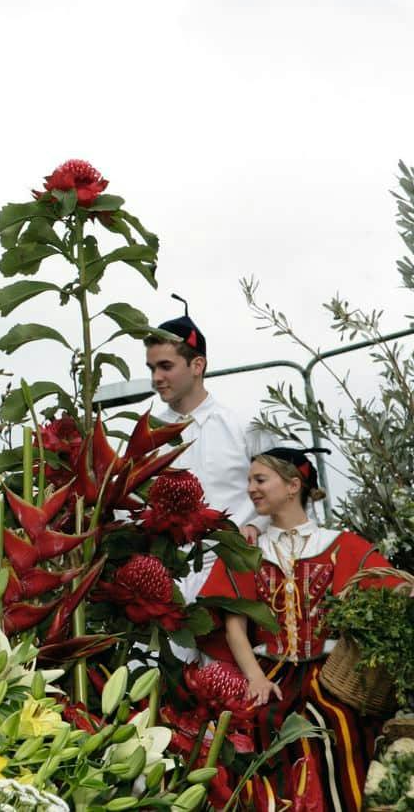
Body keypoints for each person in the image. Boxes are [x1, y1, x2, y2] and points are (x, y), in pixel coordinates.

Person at [204, 447, 395, 812]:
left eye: (260, 480)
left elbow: (391, 589)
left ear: (293, 486)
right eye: (249, 481)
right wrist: (255, 679)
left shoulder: (341, 545)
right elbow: (234, 626)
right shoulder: (248, 549)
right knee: (260, 721)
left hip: (333, 674)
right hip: (268, 671)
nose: (251, 489)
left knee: (337, 721)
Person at [145, 308, 277, 535]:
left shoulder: (245, 425)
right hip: (167, 556)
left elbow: (287, 493)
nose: (156, 377)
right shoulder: (148, 435)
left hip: (238, 554)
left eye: (166, 367)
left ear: (197, 365)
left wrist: (256, 526)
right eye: (152, 368)